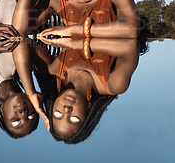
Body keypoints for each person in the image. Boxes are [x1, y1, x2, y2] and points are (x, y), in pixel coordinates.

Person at [11, 37, 139, 143]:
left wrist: (30, 92)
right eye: (74, 119)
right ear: (88, 111)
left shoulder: (53, 70)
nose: (66, 110)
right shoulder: (113, 84)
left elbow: (19, 42)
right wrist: (76, 41)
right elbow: (131, 45)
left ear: (53, 105)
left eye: (58, 114)